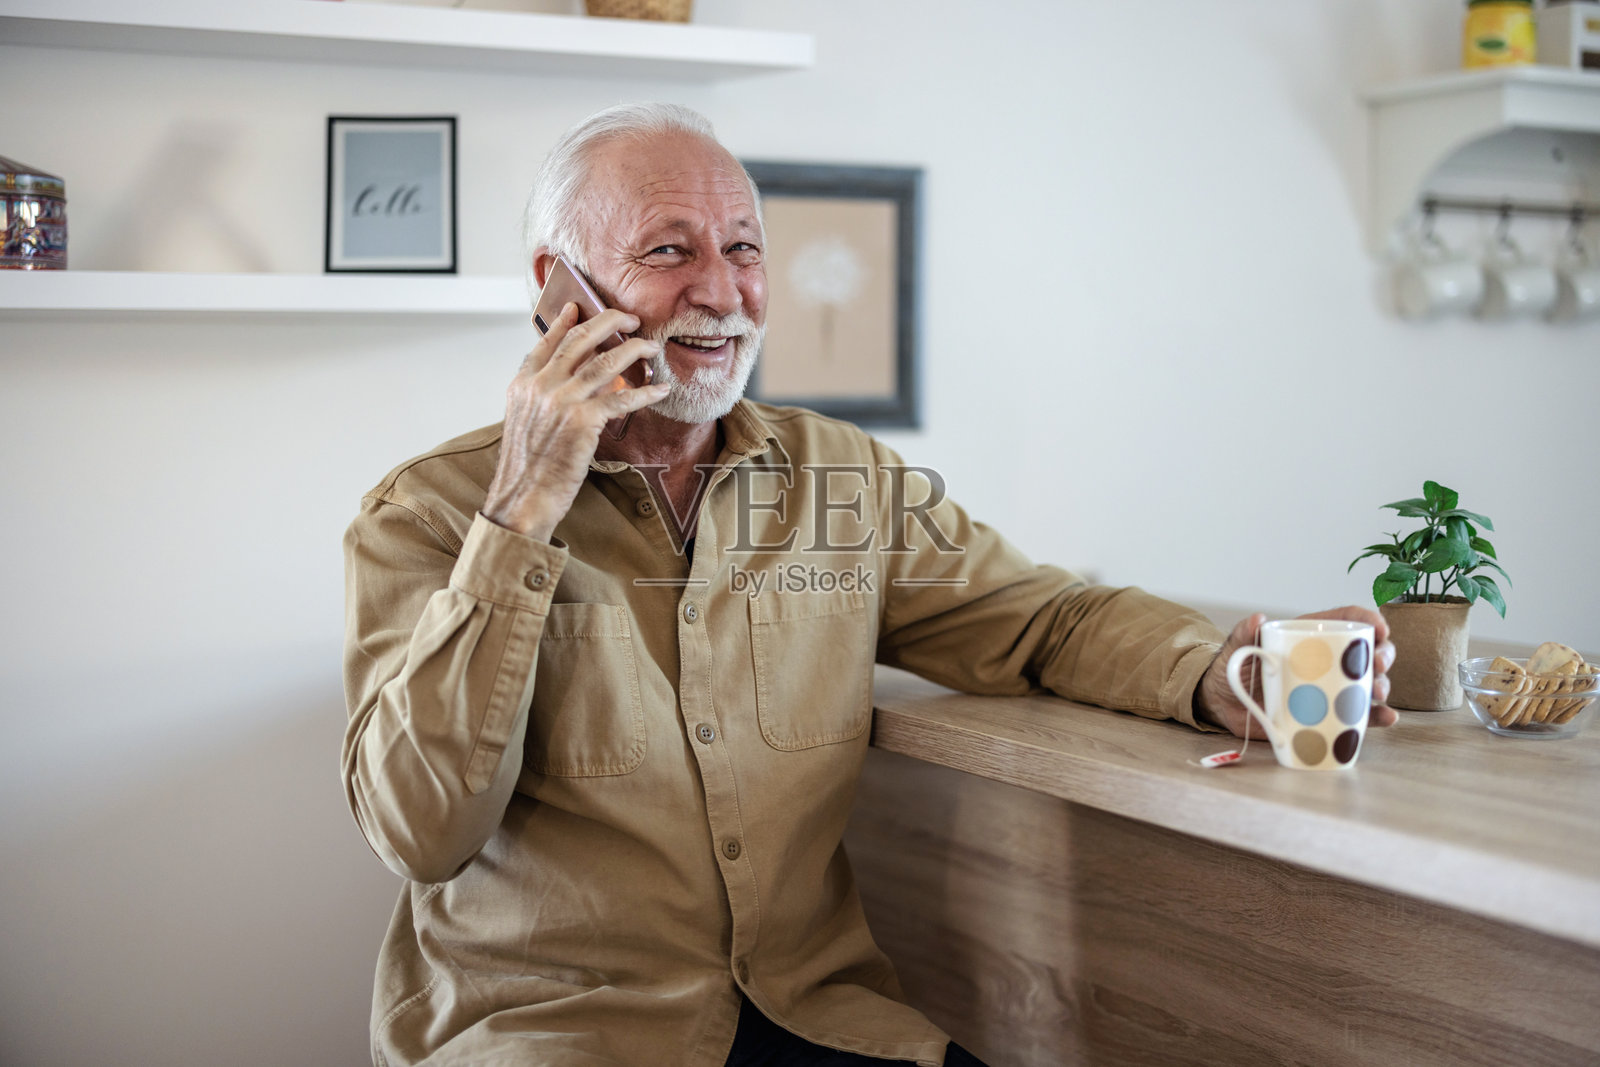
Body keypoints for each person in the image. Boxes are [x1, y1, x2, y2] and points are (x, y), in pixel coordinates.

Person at [340, 102, 1395, 1067]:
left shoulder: (842, 478)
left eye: (744, 249)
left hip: (817, 1013)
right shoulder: (428, 513)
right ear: (557, 291)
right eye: (668, 251)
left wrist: (1217, 669)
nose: (719, 290)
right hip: (555, 1033)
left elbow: (1044, 618)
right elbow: (421, 828)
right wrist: (521, 511)